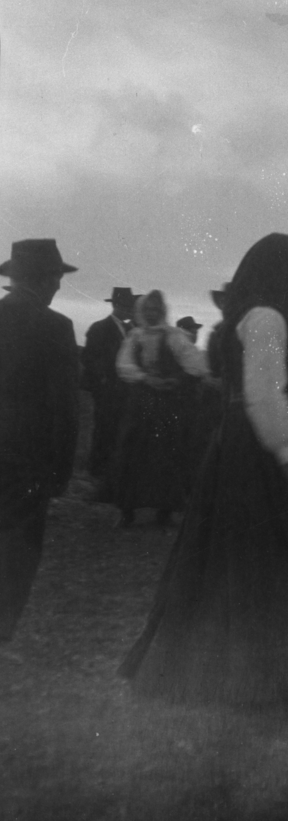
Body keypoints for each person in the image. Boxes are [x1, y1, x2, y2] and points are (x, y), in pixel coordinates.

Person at [119, 233, 288, 709]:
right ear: (280, 272)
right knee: (264, 560)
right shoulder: (268, 318)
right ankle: (264, 678)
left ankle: (242, 674)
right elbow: (265, 393)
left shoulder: (247, 318)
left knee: (232, 557)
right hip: (256, 454)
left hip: (235, 450)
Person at [0, 240, 80, 640]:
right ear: (46, 279)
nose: (59, 287)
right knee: (18, 545)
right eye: (57, 278)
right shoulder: (54, 327)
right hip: (25, 458)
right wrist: (61, 470)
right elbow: (65, 410)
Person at [111, 290, 210, 528]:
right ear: (141, 311)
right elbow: (124, 365)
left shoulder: (174, 336)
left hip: (168, 402)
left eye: (156, 309)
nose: (152, 313)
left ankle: (165, 510)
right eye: (148, 309)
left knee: (167, 453)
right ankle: (127, 510)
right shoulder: (135, 336)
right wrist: (146, 378)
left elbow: (196, 365)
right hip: (142, 402)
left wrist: (175, 381)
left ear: (162, 311)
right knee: (133, 450)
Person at [81, 287, 139, 492]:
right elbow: (90, 358)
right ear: (115, 306)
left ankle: (112, 472)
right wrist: (103, 382)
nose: (129, 310)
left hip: (125, 391)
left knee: (118, 430)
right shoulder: (99, 328)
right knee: (103, 429)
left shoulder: (132, 331)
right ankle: (97, 471)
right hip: (107, 391)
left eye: (130, 306)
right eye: (125, 306)